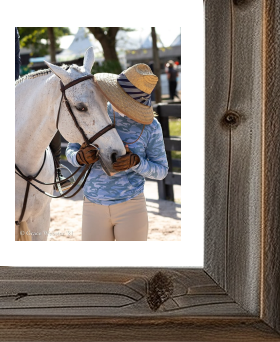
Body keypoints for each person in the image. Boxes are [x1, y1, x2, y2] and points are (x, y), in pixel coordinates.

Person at [66, 63, 168, 241]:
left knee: (130, 267)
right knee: (94, 267)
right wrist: (79, 158)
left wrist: (136, 162)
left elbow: (161, 171)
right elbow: (71, 149)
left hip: (131, 206)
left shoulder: (151, 127)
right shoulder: (96, 111)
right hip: (92, 204)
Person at [15, 27, 70, 190]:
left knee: (48, 116)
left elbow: (15, 61)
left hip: (14, 83)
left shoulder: (13, 30)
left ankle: (56, 170)